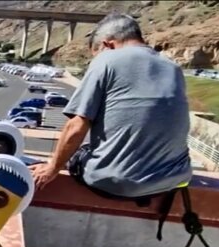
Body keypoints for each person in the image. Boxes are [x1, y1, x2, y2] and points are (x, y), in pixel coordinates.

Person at [31, 13, 192, 199]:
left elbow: (76, 126)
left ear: (108, 44)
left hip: (118, 182)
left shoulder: (107, 60)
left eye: (96, 54)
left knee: (79, 154)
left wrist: (52, 167)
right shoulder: (173, 67)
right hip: (172, 181)